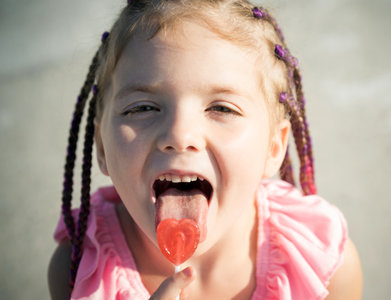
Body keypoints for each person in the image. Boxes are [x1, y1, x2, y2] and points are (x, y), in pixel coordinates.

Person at [48, 0, 363, 299]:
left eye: (222, 108)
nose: (180, 134)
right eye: (142, 107)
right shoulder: (78, 274)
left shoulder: (326, 270)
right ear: (101, 146)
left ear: (274, 147)